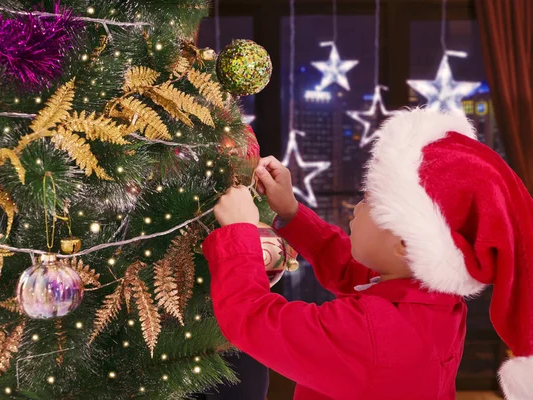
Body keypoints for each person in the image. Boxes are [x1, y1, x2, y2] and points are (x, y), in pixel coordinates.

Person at [202, 108, 533, 400]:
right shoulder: (433, 302)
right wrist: (290, 211)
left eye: (372, 201)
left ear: (407, 243)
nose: (356, 206)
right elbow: (348, 267)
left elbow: (253, 320)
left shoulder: (372, 337)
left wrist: (240, 232)